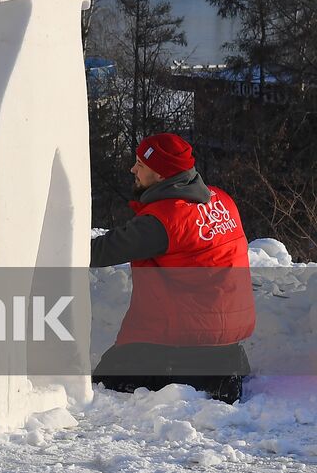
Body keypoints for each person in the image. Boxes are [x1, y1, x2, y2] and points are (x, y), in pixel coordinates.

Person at [90, 133, 255, 403]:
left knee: (106, 379)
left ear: (160, 175)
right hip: (225, 342)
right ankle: (222, 369)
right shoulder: (221, 199)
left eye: (140, 164)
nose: (132, 169)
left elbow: (98, 252)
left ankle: (206, 381)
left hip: (186, 341)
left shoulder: (164, 220)